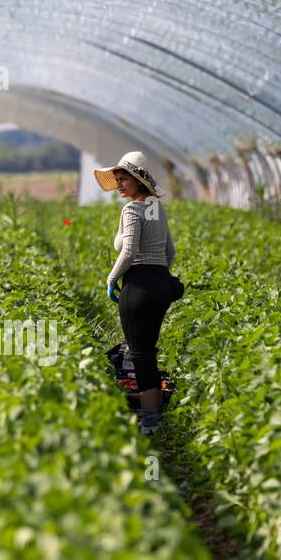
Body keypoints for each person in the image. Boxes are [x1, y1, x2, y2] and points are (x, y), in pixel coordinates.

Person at [95, 150, 179, 436]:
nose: (118, 185)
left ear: (138, 181)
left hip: (139, 286)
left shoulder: (132, 210)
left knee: (141, 355)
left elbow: (129, 251)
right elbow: (170, 251)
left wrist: (111, 278)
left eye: (123, 180)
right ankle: (153, 416)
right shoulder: (155, 207)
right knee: (148, 352)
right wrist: (161, 278)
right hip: (160, 285)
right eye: (116, 180)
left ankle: (150, 422)